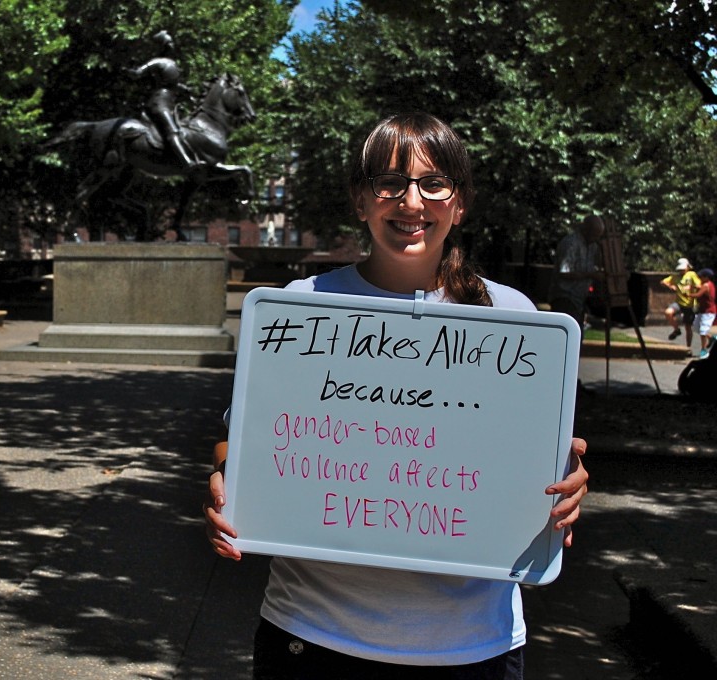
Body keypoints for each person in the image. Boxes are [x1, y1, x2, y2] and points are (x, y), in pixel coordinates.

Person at [204, 112, 589, 679]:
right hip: (312, 639)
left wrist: (571, 484)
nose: (411, 202)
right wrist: (223, 488)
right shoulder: (299, 306)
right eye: (389, 183)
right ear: (362, 201)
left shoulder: (512, 319)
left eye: (434, 184)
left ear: (459, 204)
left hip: (473, 649)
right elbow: (239, 445)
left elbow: (540, 462)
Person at [127, 30, 203, 170]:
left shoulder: (172, 64)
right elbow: (138, 73)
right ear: (162, 47)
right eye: (168, 44)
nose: (172, 46)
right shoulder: (157, 62)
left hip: (170, 103)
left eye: (171, 43)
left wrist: (187, 91)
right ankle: (187, 162)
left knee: (183, 130)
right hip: (159, 103)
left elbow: (173, 85)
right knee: (172, 131)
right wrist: (132, 68)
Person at [548, 215, 606, 331]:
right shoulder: (571, 243)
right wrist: (590, 275)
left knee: (577, 335)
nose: (596, 239)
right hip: (565, 297)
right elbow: (564, 272)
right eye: (594, 235)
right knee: (564, 337)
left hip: (580, 298)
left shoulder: (592, 246)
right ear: (586, 229)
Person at [661, 257, 700, 348]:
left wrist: (690, 287)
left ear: (687, 267)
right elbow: (663, 282)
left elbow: (699, 285)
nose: (682, 271)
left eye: (683, 269)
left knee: (688, 327)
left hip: (689, 304)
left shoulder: (692, 274)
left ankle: (688, 347)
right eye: (680, 269)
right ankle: (676, 329)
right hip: (679, 302)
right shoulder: (675, 276)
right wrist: (670, 286)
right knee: (668, 312)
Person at [688, 267, 715, 359]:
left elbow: (698, 295)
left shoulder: (706, 286)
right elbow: (700, 287)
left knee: (703, 330)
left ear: (707, 277)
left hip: (708, 312)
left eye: (701, 277)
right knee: (696, 328)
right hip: (702, 311)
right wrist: (693, 286)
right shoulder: (706, 284)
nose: (699, 278)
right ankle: (711, 338)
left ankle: (704, 351)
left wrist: (687, 294)